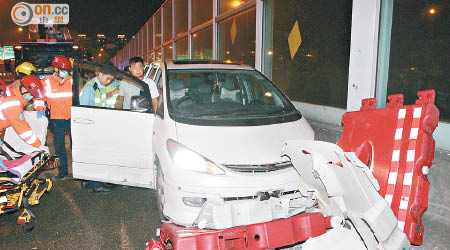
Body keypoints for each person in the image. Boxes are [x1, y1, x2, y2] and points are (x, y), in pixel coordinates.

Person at [79, 63, 119, 193]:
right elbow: (84, 108)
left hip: (102, 124)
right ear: (99, 74)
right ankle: (97, 184)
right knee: (97, 156)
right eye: (107, 78)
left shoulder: (105, 86)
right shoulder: (90, 87)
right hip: (93, 126)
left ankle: (88, 180)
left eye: (111, 79)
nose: (109, 81)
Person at [0, 76, 45, 170]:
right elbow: (23, 130)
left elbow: (36, 97)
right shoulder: (12, 103)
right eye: (30, 95)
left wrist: (40, 108)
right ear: (24, 88)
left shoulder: (13, 92)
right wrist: (38, 144)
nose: (31, 98)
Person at [41, 55, 73, 180]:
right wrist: (39, 109)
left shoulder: (72, 80)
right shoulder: (46, 82)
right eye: (63, 69)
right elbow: (39, 99)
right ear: (56, 69)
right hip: (56, 118)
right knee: (59, 146)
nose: (66, 72)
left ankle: (82, 173)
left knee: (75, 145)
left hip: (72, 117)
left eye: (67, 70)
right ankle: (62, 171)